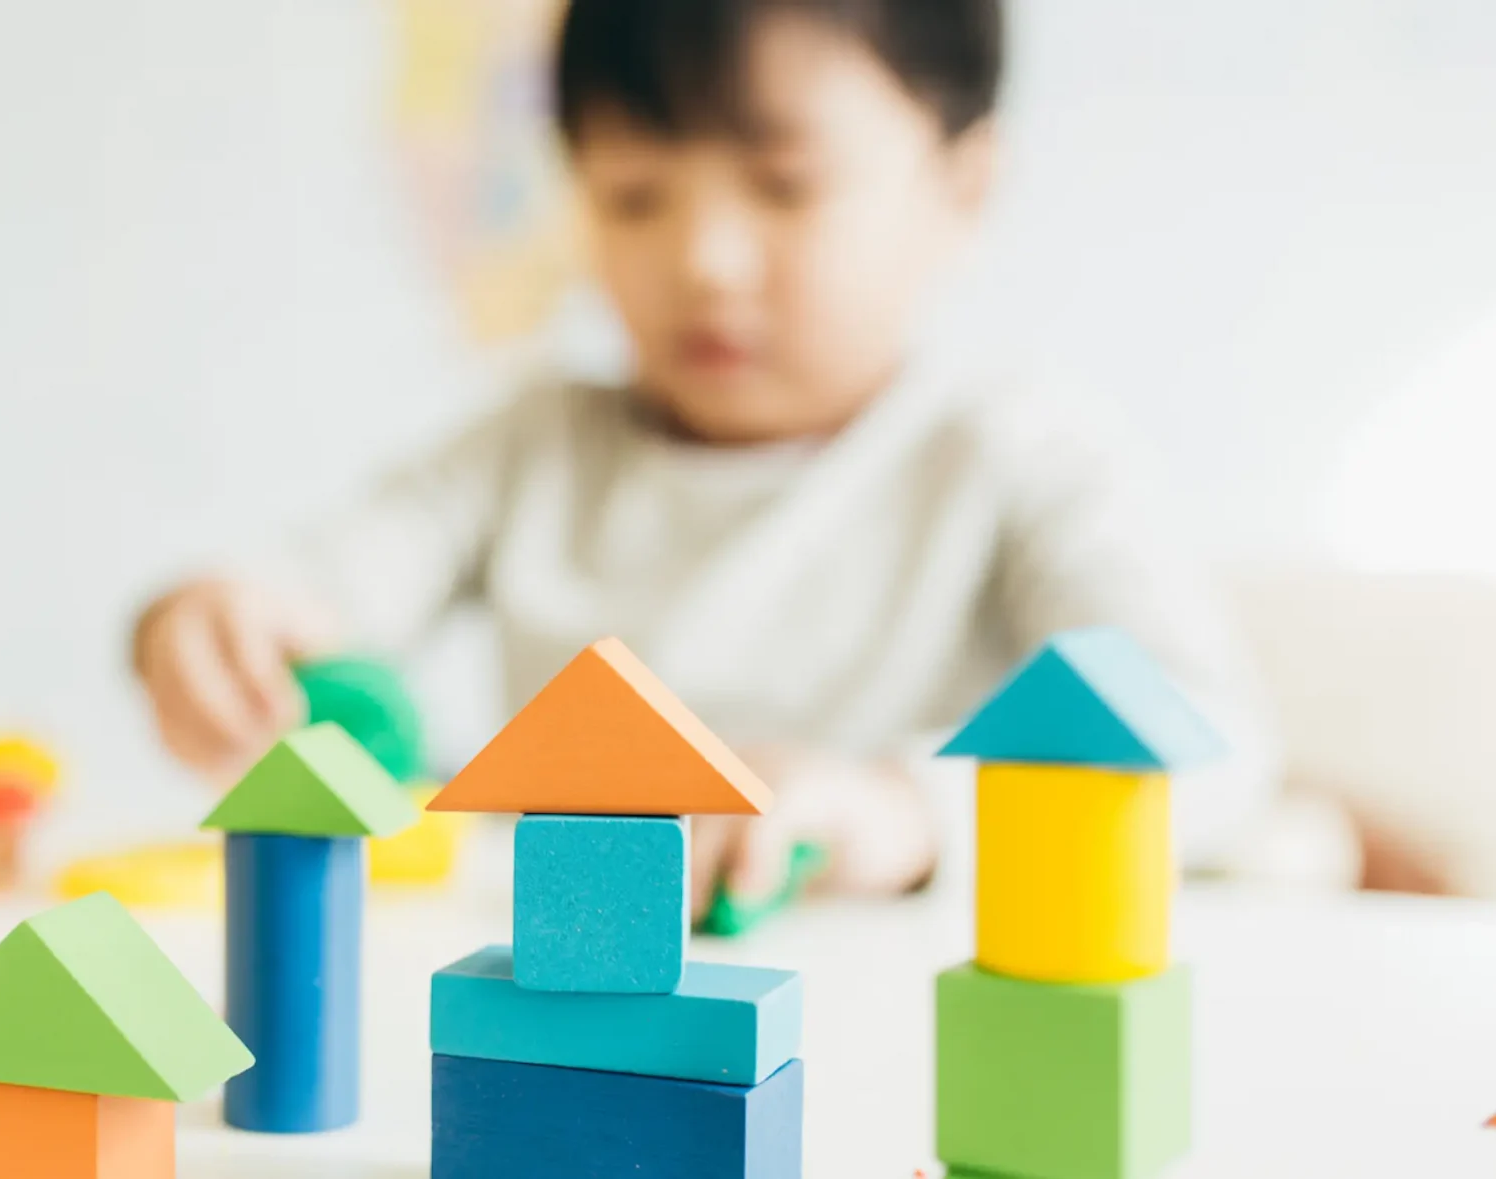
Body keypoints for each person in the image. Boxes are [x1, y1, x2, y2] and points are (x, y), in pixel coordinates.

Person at [132, 0, 1278, 909]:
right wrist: (214, 619)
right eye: (634, 198)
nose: (706, 261)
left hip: (897, 1026)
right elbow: (316, 589)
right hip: (577, 1010)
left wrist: (907, 808)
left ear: (960, 188)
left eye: (785, 187)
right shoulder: (530, 445)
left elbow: (1206, 741)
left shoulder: (1010, 457)